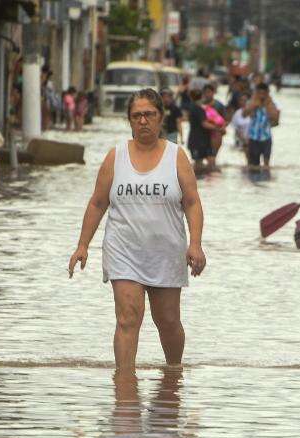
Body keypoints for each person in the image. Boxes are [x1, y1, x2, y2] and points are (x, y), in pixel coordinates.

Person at [67, 88, 206, 371]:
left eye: (149, 115)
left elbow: (192, 203)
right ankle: (125, 387)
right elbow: (97, 203)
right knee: (128, 317)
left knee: (167, 321)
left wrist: (196, 244)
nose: (143, 121)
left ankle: (173, 374)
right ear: (129, 121)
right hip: (123, 251)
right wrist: (82, 245)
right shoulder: (115, 157)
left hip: (165, 251)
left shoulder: (176, 156)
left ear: (160, 118)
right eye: (137, 116)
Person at [243, 82, 280, 170]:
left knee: (266, 165)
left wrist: (267, 105)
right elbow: (244, 114)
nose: (261, 96)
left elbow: (275, 119)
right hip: (253, 137)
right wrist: (254, 105)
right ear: (256, 93)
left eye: (264, 93)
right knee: (253, 164)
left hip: (266, 137)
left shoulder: (272, 104)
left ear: (267, 93)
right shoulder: (251, 103)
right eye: (259, 93)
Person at [185, 89, 223, 172]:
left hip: (197, 140)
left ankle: (199, 181)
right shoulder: (199, 109)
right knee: (202, 165)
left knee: (200, 164)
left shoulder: (192, 108)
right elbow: (204, 124)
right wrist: (217, 128)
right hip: (198, 141)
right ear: (202, 97)